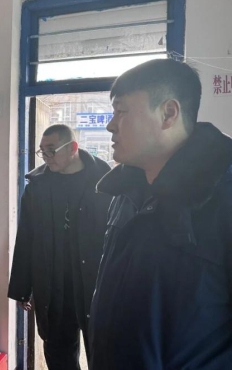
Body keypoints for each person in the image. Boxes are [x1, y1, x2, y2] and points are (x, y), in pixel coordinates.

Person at [89, 59, 232, 369]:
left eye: (121, 111)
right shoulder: (126, 192)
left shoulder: (222, 196)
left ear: (168, 113)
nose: (110, 125)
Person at [8, 124, 112, 370]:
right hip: (53, 284)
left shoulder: (105, 181)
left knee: (102, 352)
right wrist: (22, 288)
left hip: (93, 283)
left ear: (73, 147)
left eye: (51, 150)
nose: (45, 156)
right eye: (42, 151)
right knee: (58, 354)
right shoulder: (38, 187)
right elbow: (26, 237)